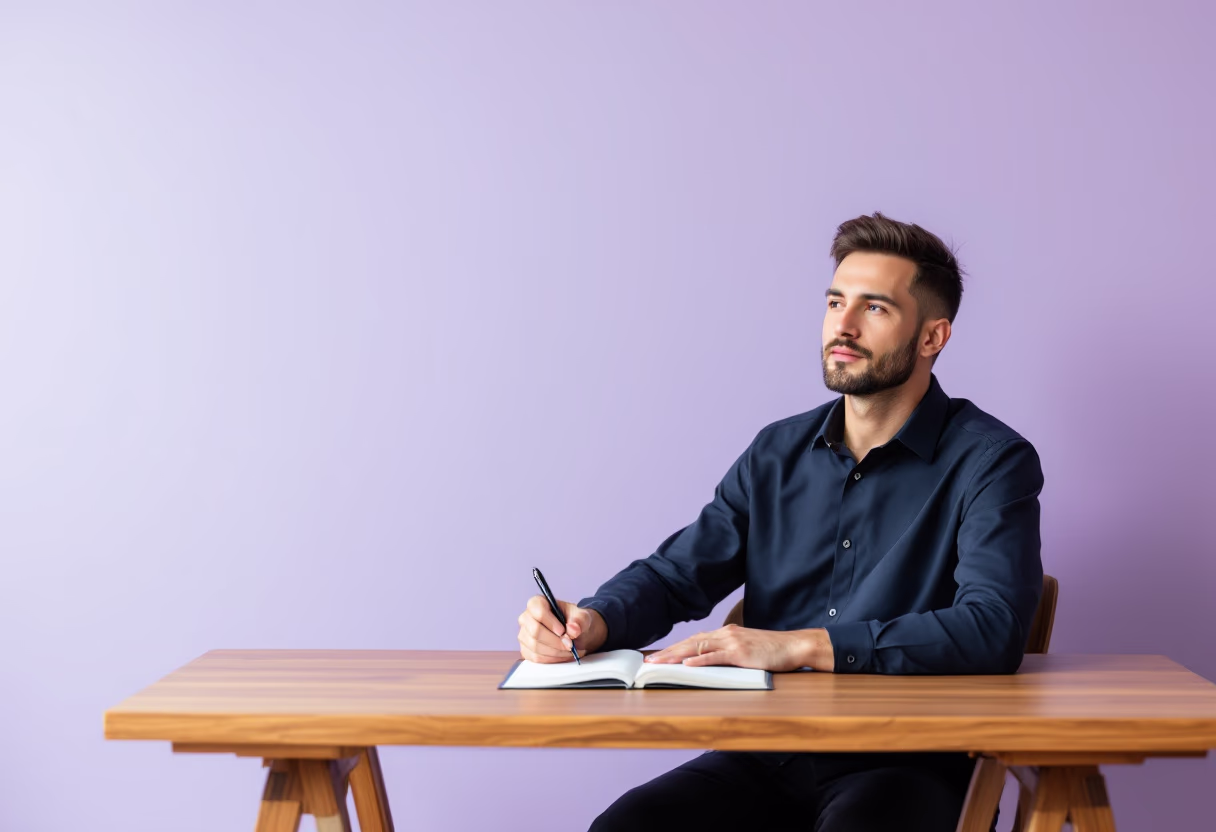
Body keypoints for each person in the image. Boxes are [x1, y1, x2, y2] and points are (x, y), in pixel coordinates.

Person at [515, 212, 1043, 832]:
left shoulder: (992, 461)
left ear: (932, 337)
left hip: (907, 761)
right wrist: (592, 621)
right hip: (764, 751)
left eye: (874, 309)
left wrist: (799, 646)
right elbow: (679, 572)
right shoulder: (776, 453)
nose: (841, 327)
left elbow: (994, 627)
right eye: (835, 302)